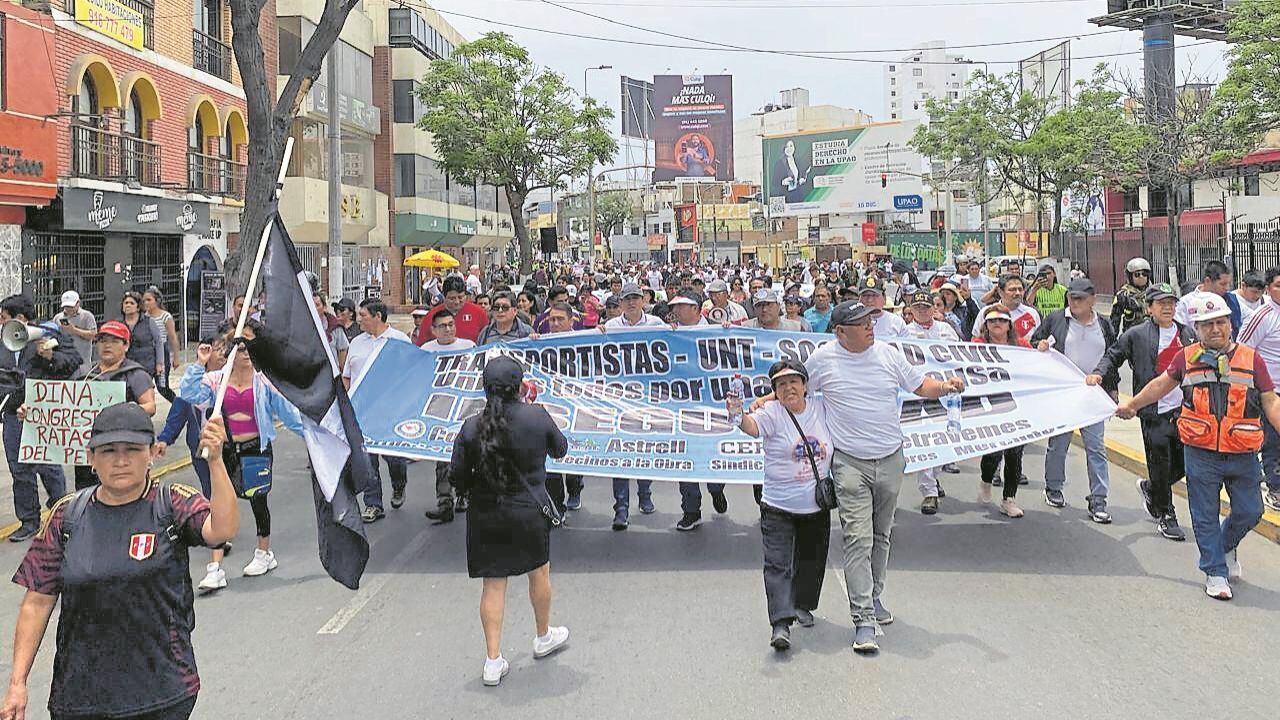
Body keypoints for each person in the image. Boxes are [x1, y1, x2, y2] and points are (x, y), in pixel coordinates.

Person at [3, 404, 239, 720]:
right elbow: (37, 603)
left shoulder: (173, 503)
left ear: (154, 453)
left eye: (132, 449)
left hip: (163, 692)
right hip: (80, 698)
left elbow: (221, 529)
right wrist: (17, 682)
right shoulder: (66, 516)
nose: (121, 460)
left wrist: (216, 463)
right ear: (91, 457)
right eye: (109, 450)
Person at [753, 301, 964, 653]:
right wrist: (765, 401)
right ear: (840, 332)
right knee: (858, 539)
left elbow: (919, 385)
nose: (870, 327)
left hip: (891, 459)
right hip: (849, 464)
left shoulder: (888, 354)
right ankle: (863, 619)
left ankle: (875, 596)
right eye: (861, 323)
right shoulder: (822, 359)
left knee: (882, 536)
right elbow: (793, 387)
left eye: (870, 321)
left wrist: (944, 387)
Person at [1117, 293, 1274, 601]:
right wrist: (1132, 405)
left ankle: (1226, 545)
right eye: (1206, 325)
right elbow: (1161, 384)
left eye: (1220, 322)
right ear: (1196, 329)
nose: (1215, 329)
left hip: (1242, 451)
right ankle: (1215, 571)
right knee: (1204, 514)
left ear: (1230, 324)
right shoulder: (1186, 358)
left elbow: (1270, 401)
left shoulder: (1251, 359)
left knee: (1251, 510)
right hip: (1200, 450)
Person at [448, 356, 570, 686]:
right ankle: (543, 636)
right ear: (520, 386)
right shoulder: (536, 416)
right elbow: (560, 449)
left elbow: (456, 475)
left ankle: (492, 660)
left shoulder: (471, 425)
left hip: (486, 513)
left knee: (493, 584)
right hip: (528, 510)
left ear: (485, 389)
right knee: (539, 572)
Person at [180, 320, 303, 591]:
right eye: (239, 344)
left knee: (258, 501)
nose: (245, 350)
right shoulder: (215, 381)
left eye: (250, 344)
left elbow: (290, 417)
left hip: (255, 450)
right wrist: (200, 363)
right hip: (224, 451)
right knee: (219, 504)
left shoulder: (264, 383)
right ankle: (215, 567)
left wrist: (319, 439)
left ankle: (263, 552)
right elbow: (188, 393)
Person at [728, 359, 831, 651]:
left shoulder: (822, 408)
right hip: (778, 505)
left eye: (794, 382)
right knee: (777, 564)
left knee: (812, 559)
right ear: (774, 391)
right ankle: (781, 623)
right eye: (781, 384)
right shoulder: (771, 413)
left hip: (816, 505)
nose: (788, 388)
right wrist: (736, 410)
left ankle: (802, 605)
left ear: (805, 386)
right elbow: (749, 427)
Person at [1089, 283, 1194, 540]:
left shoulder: (1188, 334)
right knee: (1160, 462)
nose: (1168, 308)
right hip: (1153, 411)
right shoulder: (1136, 335)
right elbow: (1112, 357)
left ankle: (1151, 487)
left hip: (1184, 412)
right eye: (1161, 303)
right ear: (1149, 308)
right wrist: (1099, 374)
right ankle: (1166, 514)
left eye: (1171, 303)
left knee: (1184, 465)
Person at [1031, 278, 1117, 522]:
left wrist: (1112, 388)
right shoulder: (1057, 319)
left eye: (1080, 298)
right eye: (1071, 297)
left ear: (1093, 300)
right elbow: (1035, 340)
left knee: (1096, 447)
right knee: (1059, 444)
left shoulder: (1104, 324)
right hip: (1063, 394)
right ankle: (1054, 487)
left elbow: (1111, 357)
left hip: (1093, 394)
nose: (1075, 302)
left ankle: (1098, 498)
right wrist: (1041, 344)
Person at [0, 295, 81, 542]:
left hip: (42, 411)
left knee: (48, 467)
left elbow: (74, 362)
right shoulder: (3, 341)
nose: (1, 322)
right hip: (13, 413)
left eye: (4, 317)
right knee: (19, 469)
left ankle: (62, 517)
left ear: (21, 318)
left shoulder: (48, 334)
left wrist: (50, 356)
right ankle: (29, 521)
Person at [601, 283, 666, 529]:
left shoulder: (657, 325)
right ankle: (621, 508)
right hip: (618, 398)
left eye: (635, 298)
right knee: (620, 452)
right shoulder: (610, 327)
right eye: (627, 299)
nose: (631, 303)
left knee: (643, 448)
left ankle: (645, 493)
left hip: (648, 397)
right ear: (620, 303)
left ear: (643, 300)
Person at [342, 299, 413, 523]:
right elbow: (347, 376)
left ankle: (399, 484)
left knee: (394, 458)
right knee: (367, 459)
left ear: (378, 316)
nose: (359, 319)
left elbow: (412, 375)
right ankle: (373, 504)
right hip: (362, 413)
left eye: (363, 315)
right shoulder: (356, 343)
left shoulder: (400, 341)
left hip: (391, 412)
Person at [666, 291, 730, 530]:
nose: (676, 311)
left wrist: (727, 331)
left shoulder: (717, 328)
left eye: (681, 306)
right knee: (686, 460)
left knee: (713, 456)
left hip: (713, 405)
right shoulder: (670, 331)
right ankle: (691, 511)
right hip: (682, 406)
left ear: (695, 308)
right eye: (675, 307)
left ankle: (716, 489)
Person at [71, 321, 158, 491]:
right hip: (89, 452)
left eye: (114, 341)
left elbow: (150, 406)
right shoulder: (84, 373)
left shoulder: (136, 374)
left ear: (126, 345)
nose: (107, 345)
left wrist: (129, 410)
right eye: (102, 341)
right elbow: (64, 405)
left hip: (123, 450)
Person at [903, 290, 961, 515]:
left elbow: (958, 355)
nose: (922, 311)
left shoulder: (945, 330)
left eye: (926, 307)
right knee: (925, 438)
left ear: (933, 308)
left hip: (944, 391)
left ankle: (934, 479)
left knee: (942, 438)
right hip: (917, 393)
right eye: (917, 308)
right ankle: (928, 492)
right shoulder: (905, 332)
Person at [972, 305, 1031, 517]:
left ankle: (1009, 499)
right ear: (986, 325)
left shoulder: (1022, 345)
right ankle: (986, 481)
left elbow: (1036, 367)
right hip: (989, 406)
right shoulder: (978, 345)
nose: (997, 324)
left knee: (1015, 454)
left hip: (1016, 406)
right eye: (992, 321)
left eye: (1002, 320)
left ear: (1009, 325)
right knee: (993, 453)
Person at [157, 328, 230, 502]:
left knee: (227, 485)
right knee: (210, 487)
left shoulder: (232, 379)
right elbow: (177, 414)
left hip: (227, 444)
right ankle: (215, 522)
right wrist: (164, 439)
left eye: (224, 349)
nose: (222, 354)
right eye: (217, 349)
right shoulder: (192, 382)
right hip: (200, 445)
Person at [536, 303, 586, 516]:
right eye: (551, 320)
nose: (555, 324)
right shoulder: (540, 341)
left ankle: (575, 490)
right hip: (551, 407)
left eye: (559, 319)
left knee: (573, 452)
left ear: (571, 320)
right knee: (551, 456)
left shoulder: (585, 340)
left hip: (576, 407)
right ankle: (557, 505)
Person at [1237, 267, 1280, 512]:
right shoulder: (1262, 316)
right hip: (1269, 392)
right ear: (1267, 289)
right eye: (1278, 286)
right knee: (1273, 442)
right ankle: (1275, 488)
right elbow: (1243, 350)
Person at [415, 276, 488, 345]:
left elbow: (487, 341)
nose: (457, 302)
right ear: (444, 296)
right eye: (452, 298)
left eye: (460, 297)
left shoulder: (479, 313)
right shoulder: (431, 316)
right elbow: (421, 347)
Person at [1176, 260, 1240, 337]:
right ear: (1207, 281)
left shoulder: (1231, 299)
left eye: (1229, 284)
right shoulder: (1185, 302)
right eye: (1223, 284)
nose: (1227, 288)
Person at [972, 275, 1040, 341]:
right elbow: (975, 339)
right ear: (1000, 292)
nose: (1017, 293)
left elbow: (1039, 341)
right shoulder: (986, 313)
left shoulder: (1032, 314)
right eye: (1012, 290)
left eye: (1020, 289)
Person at [120, 291, 164, 390]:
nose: (128, 305)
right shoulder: (119, 324)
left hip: (146, 365)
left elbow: (158, 342)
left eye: (131, 303)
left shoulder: (149, 322)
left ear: (138, 307)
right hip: (126, 365)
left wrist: (159, 364)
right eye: (126, 303)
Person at [143, 287, 180, 403]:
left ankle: (180, 407)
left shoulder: (165, 316)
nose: (146, 303)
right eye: (144, 300)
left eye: (149, 300)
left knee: (163, 387)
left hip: (162, 353)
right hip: (148, 353)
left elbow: (172, 337)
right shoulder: (144, 317)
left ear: (157, 301)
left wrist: (176, 357)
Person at [56, 290, 97, 374]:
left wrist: (74, 330)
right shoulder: (58, 317)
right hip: (63, 363)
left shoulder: (87, 316)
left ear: (78, 303)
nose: (68, 309)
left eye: (71, 306)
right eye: (66, 307)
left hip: (82, 364)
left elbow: (93, 335)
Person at [1112, 257, 1153, 333]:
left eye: (1144, 274)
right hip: (1131, 336)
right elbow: (1114, 321)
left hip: (1151, 334)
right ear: (1130, 277)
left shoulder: (1153, 293)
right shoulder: (1123, 296)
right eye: (1137, 274)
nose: (1141, 277)